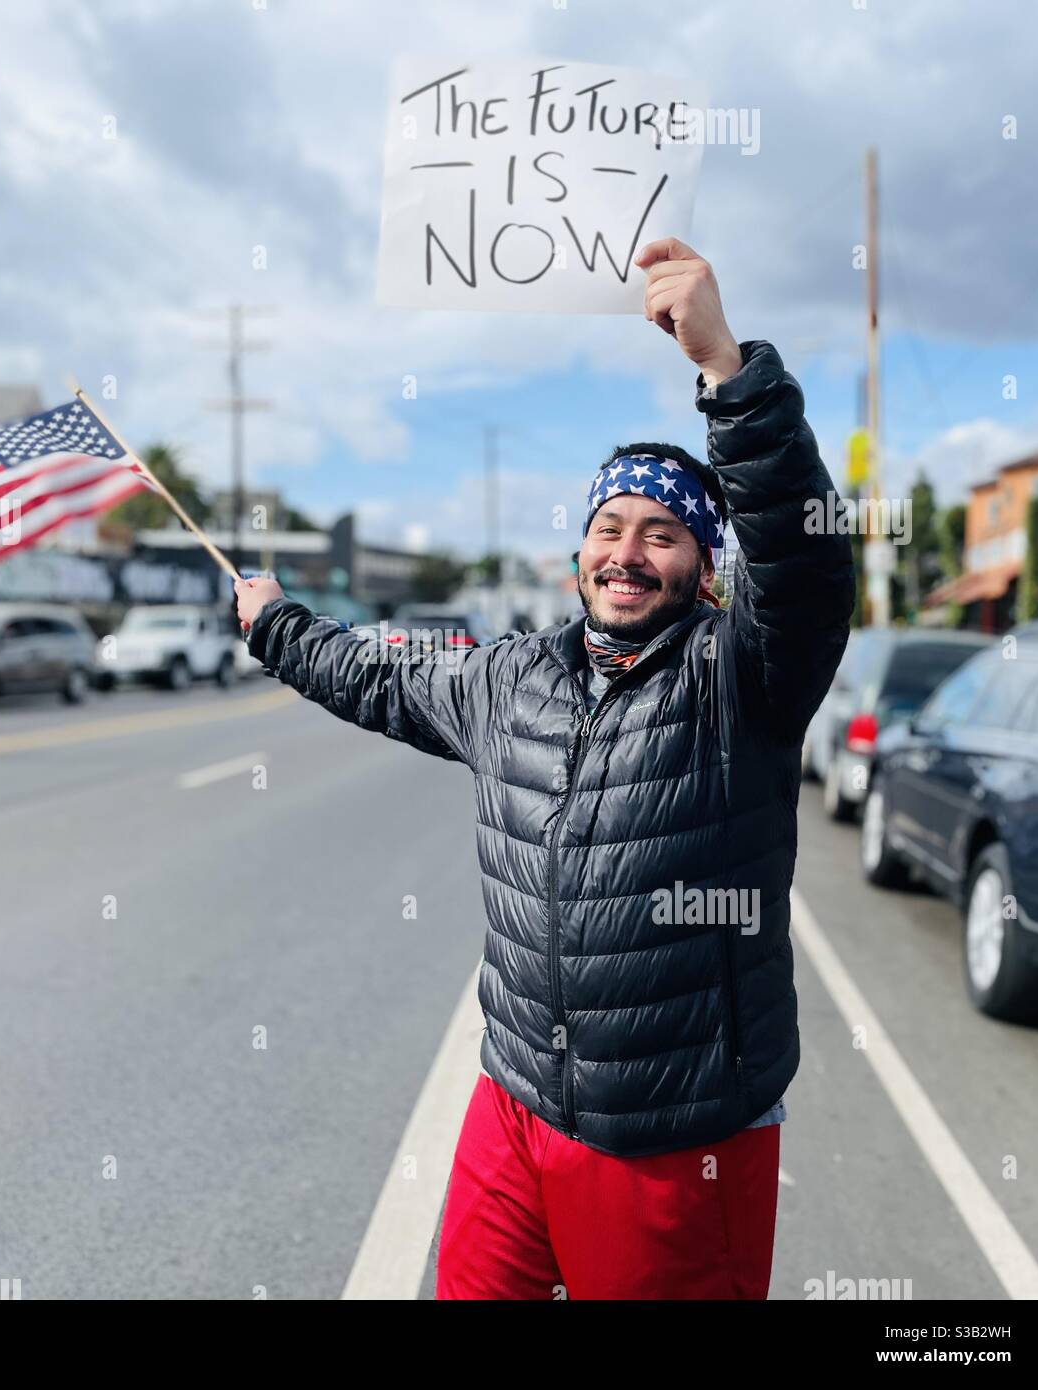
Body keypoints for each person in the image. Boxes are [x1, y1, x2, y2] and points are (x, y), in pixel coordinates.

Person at [234, 238, 855, 1300]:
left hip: (672, 1135)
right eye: (609, 526)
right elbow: (376, 677)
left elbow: (804, 561)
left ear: (706, 569)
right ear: (576, 556)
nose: (627, 550)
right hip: (515, 1102)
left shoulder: (740, 674)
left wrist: (728, 373)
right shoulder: (511, 677)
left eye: (663, 534)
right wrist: (275, 624)